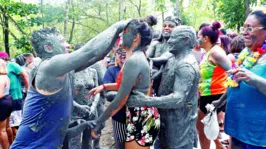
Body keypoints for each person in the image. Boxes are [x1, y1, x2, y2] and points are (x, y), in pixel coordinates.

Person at [10, 20, 129, 148]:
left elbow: (98, 55)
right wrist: (118, 25)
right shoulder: (50, 67)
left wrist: (117, 34)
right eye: (62, 42)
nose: (68, 45)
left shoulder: (64, 70)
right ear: (48, 48)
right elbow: (89, 51)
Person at [126, 25, 200, 149]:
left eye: (173, 38)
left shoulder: (186, 65)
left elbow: (178, 99)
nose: (169, 41)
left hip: (179, 124)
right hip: (165, 118)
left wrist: (145, 101)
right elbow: (160, 76)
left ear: (186, 40)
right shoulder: (172, 58)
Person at [89, 19, 160, 149]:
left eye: (125, 32)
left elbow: (120, 100)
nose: (121, 35)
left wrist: (98, 123)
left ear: (136, 37)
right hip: (137, 114)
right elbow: (123, 85)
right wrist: (103, 86)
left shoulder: (134, 60)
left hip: (140, 117)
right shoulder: (132, 58)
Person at [212, 9, 266, 148]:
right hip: (236, 127)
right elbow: (235, 83)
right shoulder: (245, 52)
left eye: (250, 28)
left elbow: (251, 80)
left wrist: (255, 79)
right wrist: (220, 101)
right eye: (244, 27)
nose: (244, 32)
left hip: (258, 134)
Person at [196, 21, 231, 149]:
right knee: (204, 125)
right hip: (207, 94)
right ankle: (218, 145)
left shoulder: (216, 52)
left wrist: (224, 97)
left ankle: (217, 145)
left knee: (202, 125)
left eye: (198, 36)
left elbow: (232, 71)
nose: (197, 39)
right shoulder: (207, 52)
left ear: (205, 38)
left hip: (215, 95)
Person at [103, 43, 127, 149]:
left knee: (137, 142)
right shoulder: (111, 70)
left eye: (125, 52)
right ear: (115, 55)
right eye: (119, 52)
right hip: (119, 114)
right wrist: (127, 94)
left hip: (138, 115)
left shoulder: (139, 67)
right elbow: (107, 93)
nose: (122, 55)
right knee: (120, 143)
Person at [0, 58, 13, 149]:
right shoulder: (6, 76)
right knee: (7, 127)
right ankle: (12, 144)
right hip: (8, 100)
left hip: (2, 103)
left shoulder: (0, 78)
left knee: (1, 131)